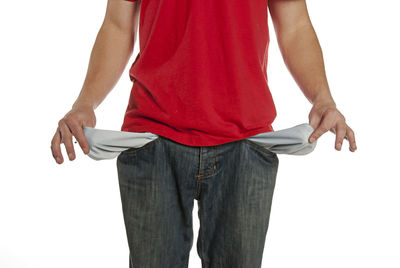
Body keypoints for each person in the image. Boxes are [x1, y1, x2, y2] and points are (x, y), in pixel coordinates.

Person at [50, 0, 357, 267]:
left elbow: (295, 25)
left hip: (245, 142)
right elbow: (117, 25)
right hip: (154, 136)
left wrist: (323, 97)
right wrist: (85, 102)